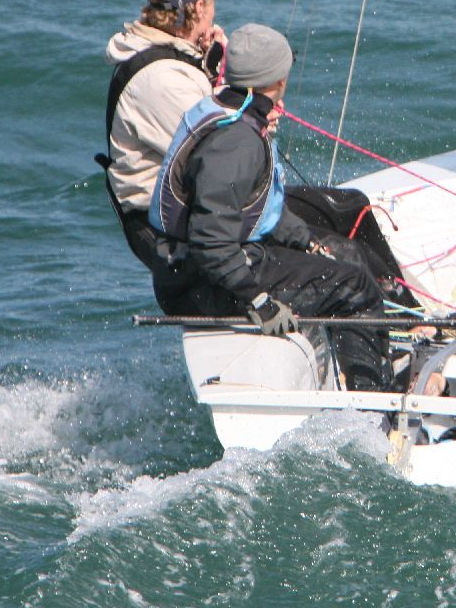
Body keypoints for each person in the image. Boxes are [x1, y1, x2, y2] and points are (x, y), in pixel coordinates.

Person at [151, 24, 397, 392]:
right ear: (278, 80)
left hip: (205, 269)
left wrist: (305, 241)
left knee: (345, 255)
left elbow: (256, 209)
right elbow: (210, 240)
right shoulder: (237, 142)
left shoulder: (227, 110)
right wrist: (258, 301)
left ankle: (372, 361)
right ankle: (371, 399)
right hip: (201, 282)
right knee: (355, 288)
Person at [99, 0, 233, 270]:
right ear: (199, 7)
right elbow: (226, 153)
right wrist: (240, 90)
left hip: (182, 212)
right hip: (166, 233)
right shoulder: (162, 79)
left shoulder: (169, 57)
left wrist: (209, 67)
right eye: (213, 3)